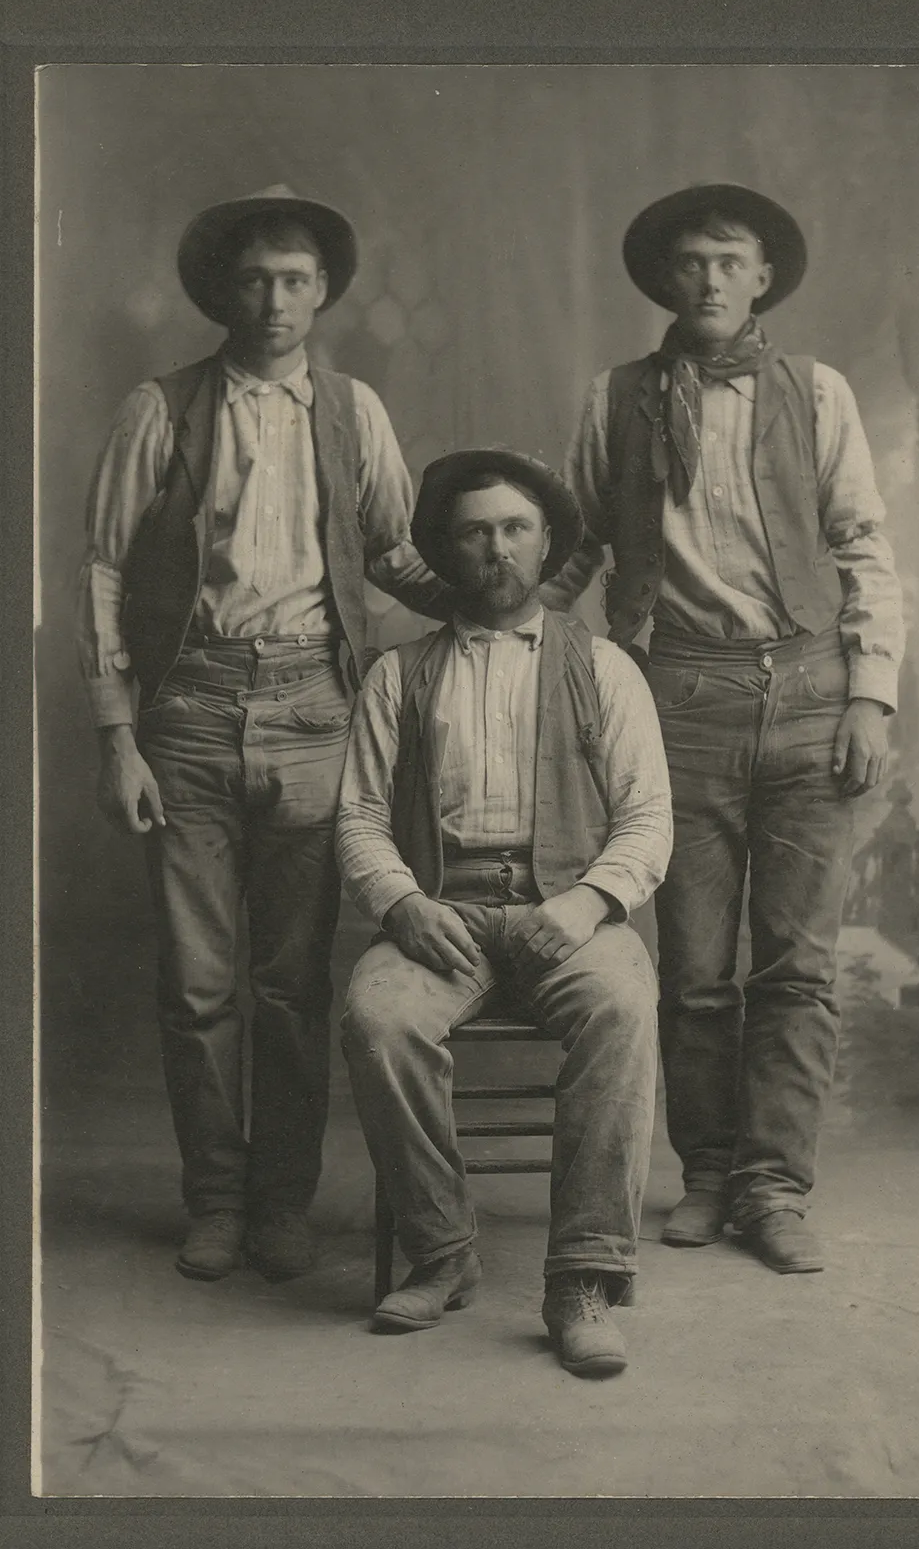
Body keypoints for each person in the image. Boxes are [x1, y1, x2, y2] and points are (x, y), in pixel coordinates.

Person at [78, 185, 457, 1284]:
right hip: (186, 709)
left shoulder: (355, 412)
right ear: (220, 289)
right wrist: (116, 733)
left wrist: (494, 596)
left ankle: (283, 1202)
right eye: (254, 279)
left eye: (295, 279)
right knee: (198, 983)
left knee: (291, 983)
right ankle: (216, 1197)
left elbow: (391, 552)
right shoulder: (163, 406)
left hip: (314, 713)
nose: (275, 299)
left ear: (326, 290)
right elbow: (102, 569)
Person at [564, 183, 905, 1273]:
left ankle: (773, 1186)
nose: (709, 279)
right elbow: (574, 551)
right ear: (664, 279)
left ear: (762, 277)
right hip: (677, 703)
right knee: (696, 967)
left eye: (730, 261)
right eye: (690, 262)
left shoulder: (818, 392)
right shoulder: (613, 398)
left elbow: (862, 544)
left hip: (810, 694)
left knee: (795, 965)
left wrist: (870, 692)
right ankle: (707, 1172)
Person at [336, 448, 672, 1377]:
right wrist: (401, 904)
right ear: (445, 550)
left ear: (545, 544)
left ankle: (584, 1281)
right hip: (442, 910)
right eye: (475, 532)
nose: (497, 551)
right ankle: (443, 1252)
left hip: (569, 906)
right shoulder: (396, 676)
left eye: (515, 530)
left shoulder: (603, 668)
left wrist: (587, 903)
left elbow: (647, 820)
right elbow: (360, 818)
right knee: (378, 1016)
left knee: (623, 1007)